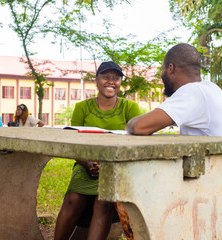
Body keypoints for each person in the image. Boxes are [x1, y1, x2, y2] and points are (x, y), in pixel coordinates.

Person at [126, 43, 222, 216]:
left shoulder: (192, 92)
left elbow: (140, 126)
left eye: (162, 70)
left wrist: (129, 123)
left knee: (140, 189)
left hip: (218, 192)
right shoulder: (210, 88)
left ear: (171, 68)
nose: (161, 76)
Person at [54, 61, 141, 240]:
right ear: (97, 80)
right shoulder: (82, 108)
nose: (111, 81)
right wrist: (87, 163)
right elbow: (73, 144)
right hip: (85, 164)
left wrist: (108, 165)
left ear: (120, 82)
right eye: (106, 77)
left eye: (116, 78)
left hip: (116, 168)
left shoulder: (130, 107)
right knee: (73, 200)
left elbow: (135, 144)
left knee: (104, 204)